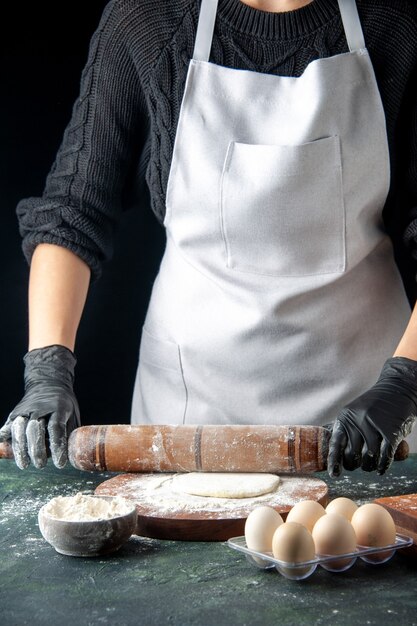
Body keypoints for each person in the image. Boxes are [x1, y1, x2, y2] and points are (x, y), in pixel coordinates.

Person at [2, 0, 417, 477]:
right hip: (187, 419)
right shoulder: (148, 20)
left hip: (365, 421)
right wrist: (48, 368)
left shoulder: (395, 25)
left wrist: (404, 381)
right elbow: (73, 212)